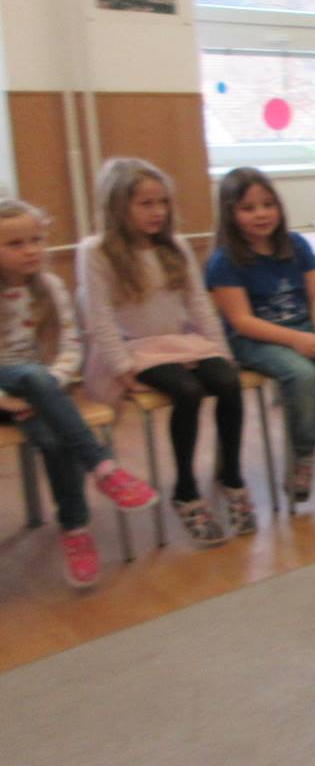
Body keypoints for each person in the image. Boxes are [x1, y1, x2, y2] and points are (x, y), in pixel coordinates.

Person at [77, 157, 252, 546]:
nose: (157, 212)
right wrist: (121, 367)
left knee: (228, 382)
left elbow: (199, 305)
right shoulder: (96, 250)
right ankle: (186, 491)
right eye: (146, 204)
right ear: (118, 206)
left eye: (162, 202)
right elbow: (99, 316)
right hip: (134, 349)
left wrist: (222, 352)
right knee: (187, 392)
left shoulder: (175, 246)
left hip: (178, 342)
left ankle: (232, 477)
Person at [0, 199, 159, 587]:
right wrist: (8, 400)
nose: (31, 250)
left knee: (53, 440)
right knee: (33, 376)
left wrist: (49, 385)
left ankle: (75, 530)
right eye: (16, 244)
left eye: (36, 240)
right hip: (5, 393)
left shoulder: (50, 286)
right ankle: (103, 466)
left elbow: (72, 346)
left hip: (40, 391)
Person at [206, 167, 315, 502]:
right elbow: (242, 321)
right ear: (229, 214)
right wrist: (298, 340)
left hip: (309, 324)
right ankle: (303, 452)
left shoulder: (295, 245)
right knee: (303, 375)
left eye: (267, 204)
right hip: (256, 338)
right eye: (248, 208)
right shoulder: (223, 261)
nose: (261, 214)